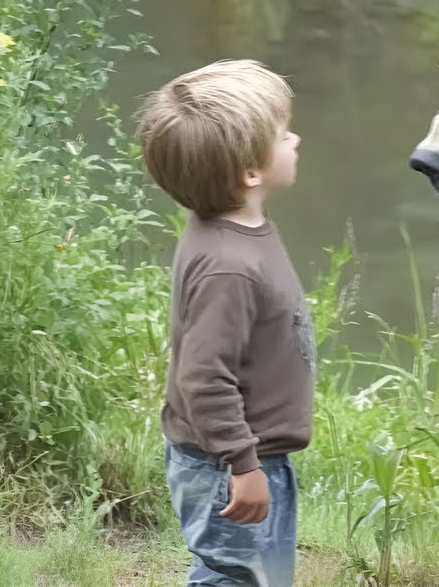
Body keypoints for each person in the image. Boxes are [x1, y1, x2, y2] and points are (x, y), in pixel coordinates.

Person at [135, 59, 315, 586]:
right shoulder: (230, 266)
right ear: (250, 172)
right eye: (283, 134)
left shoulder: (232, 223)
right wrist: (243, 465)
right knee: (233, 577)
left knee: (259, 577)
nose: (296, 139)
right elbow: (204, 375)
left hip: (244, 457)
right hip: (229, 464)